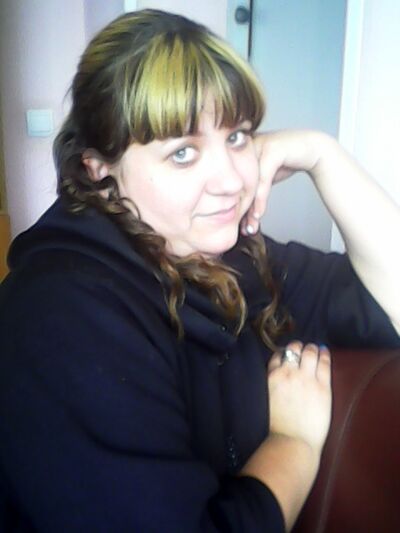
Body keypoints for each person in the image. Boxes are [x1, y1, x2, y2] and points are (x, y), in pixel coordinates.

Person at [0, 9, 399, 532]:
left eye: (238, 137)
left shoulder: (227, 258)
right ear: (99, 170)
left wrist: (322, 156)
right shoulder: (62, 317)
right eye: (183, 153)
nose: (231, 181)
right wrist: (293, 444)